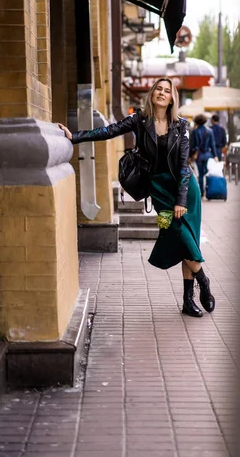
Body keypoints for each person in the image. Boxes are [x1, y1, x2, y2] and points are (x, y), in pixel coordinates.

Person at [58, 78, 215, 318]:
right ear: (152, 94)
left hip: (184, 188)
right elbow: (108, 130)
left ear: (172, 98)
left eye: (167, 91)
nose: (162, 93)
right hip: (159, 189)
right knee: (181, 236)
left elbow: (184, 165)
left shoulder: (181, 125)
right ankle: (203, 280)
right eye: (159, 89)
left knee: (188, 239)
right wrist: (75, 137)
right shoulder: (139, 120)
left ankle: (187, 300)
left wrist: (181, 200)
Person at [190, 114, 218, 197]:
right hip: (208, 155)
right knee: (208, 172)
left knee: (201, 174)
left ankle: (202, 192)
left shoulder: (195, 131)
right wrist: (215, 156)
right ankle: (208, 189)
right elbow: (213, 144)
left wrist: (190, 156)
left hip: (199, 156)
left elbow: (192, 145)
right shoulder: (209, 131)